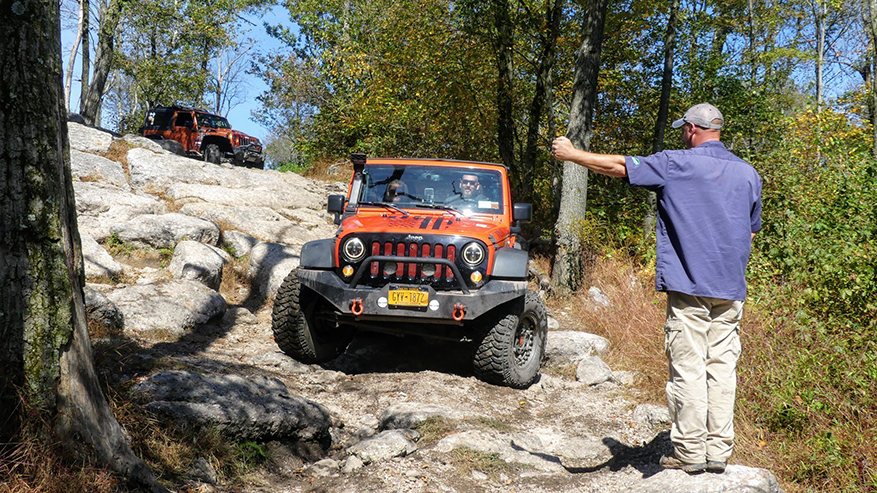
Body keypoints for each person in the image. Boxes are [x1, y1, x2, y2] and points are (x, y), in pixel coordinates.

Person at [551, 103, 762, 475]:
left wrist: (572, 154)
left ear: (693, 130)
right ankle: (719, 452)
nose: (682, 133)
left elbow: (619, 166)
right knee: (723, 368)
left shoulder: (677, 163)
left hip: (690, 286)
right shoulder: (748, 174)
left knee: (689, 367)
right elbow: (749, 232)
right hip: (730, 288)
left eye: (685, 128)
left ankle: (691, 453)